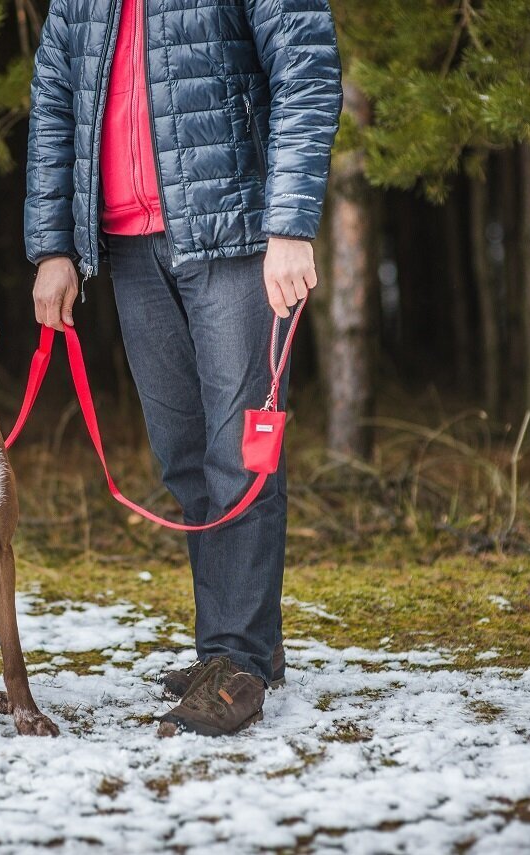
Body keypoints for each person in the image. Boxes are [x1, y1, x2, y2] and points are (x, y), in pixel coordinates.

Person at [24, 0, 342, 735]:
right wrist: (53, 247)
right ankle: (233, 645)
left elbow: (307, 65)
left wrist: (290, 225)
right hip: (129, 248)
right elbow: (54, 99)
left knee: (242, 458)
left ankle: (238, 661)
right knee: (186, 460)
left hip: (233, 233)